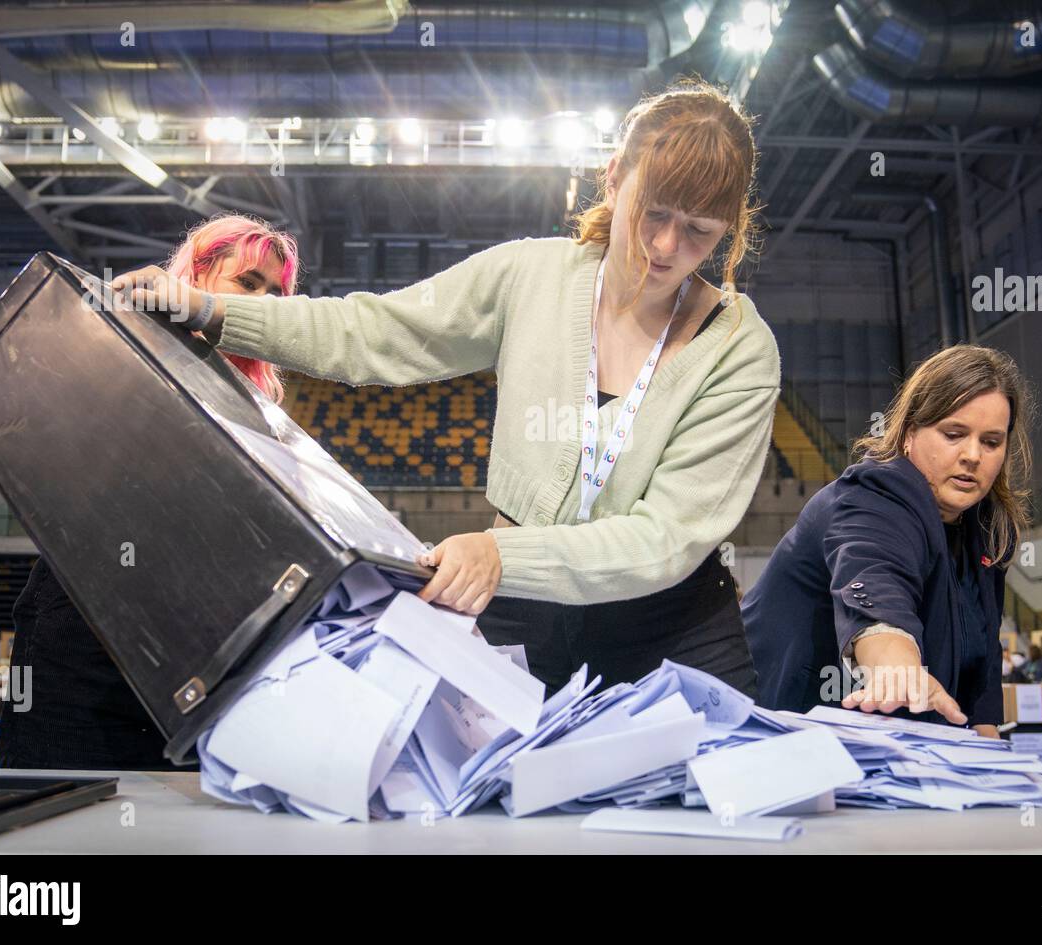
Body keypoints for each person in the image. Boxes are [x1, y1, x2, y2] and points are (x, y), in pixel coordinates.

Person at [111, 79, 780, 697]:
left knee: (701, 820)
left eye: (699, 232)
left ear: (729, 227)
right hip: (524, 611)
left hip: (673, 628)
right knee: (498, 820)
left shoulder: (740, 350)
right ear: (614, 179)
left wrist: (500, 553)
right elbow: (376, 330)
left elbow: (662, 538)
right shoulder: (530, 277)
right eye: (653, 213)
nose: (665, 247)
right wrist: (215, 312)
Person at [0, 213, 300, 770]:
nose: (266, 301)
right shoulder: (123, 348)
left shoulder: (259, 412)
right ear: (196, 277)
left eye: (277, 293)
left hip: (195, 666)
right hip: (85, 651)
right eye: (249, 282)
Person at [742, 345, 1035, 737]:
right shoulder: (874, 496)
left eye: (991, 442)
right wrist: (898, 668)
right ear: (910, 433)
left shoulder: (987, 528)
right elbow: (876, 587)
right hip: (780, 739)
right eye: (954, 434)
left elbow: (981, 663)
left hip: (895, 753)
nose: (972, 455)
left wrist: (992, 760)